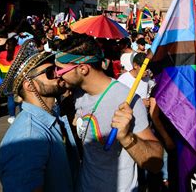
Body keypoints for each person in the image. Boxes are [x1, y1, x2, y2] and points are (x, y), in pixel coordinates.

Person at [55, 34, 163, 192]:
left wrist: (127, 138)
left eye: (60, 69)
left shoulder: (128, 100)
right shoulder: (76, 93)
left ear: (83, 69)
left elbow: (156, 162)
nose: (57, 74)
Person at [0, 40, 80, 192]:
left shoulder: (51, 116)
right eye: (49, 72)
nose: (58, 74)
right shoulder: (28, 138)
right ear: (30, 86)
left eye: (55, 69)